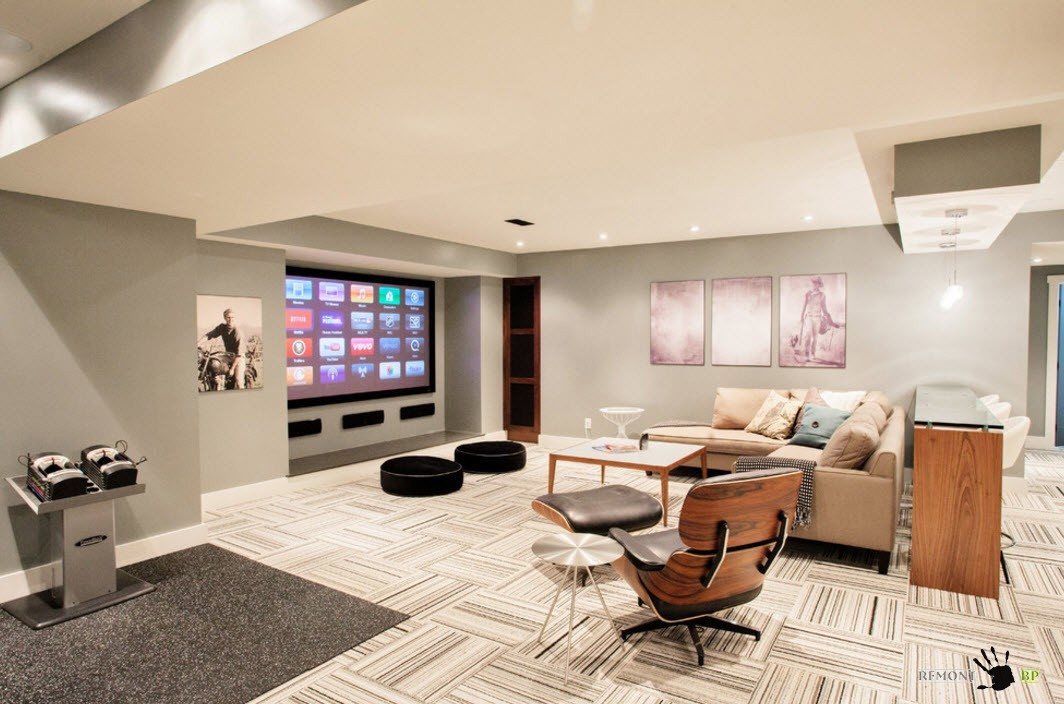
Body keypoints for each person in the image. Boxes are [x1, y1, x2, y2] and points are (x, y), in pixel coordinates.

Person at [197, 308, 246, 389]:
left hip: (238, 358)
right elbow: (209, 335)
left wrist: (232, 369)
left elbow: (239, 354)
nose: (230, 319)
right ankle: (216, 382)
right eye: (228, 317)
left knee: (239, 382)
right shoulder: (222, 327)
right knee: (213, 362)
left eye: (232, 317)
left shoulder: (237, 332)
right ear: (224, 318)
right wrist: (198, 343)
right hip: (228, 355)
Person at [796, 276, 839, 362]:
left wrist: (831, 321)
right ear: (812, 284)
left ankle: (812, 354)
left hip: (817, 318)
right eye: (814, 283)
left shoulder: (822, 295)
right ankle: (807, 354)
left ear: (819, 285)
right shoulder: (808, 294)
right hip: (809, 317)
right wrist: (801, 317)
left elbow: (824, 308)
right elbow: (804, 306)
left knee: (815, 337)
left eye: (817, 283)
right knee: (808, 335)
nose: (815, 285)